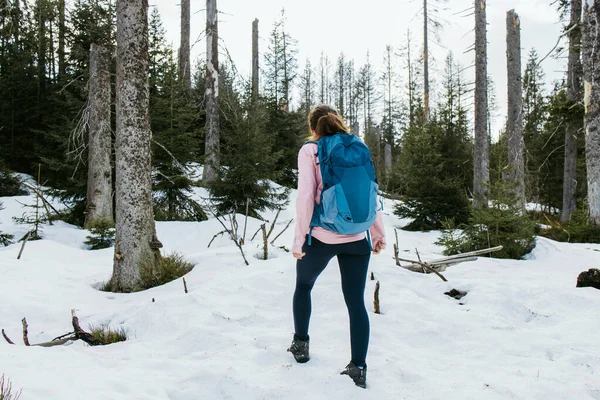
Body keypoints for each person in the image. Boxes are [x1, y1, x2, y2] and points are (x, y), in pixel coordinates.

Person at [288, 104, 386, 389]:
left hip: (322, 236)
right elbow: (370, 191)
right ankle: (358, 368)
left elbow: (306, 196)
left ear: (312, 128)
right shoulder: (358, 146)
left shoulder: (310, 150)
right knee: (356, 302)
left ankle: (301, 345)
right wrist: (376, 233)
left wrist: (299, 239)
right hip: (357, 238)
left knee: (304, 286)